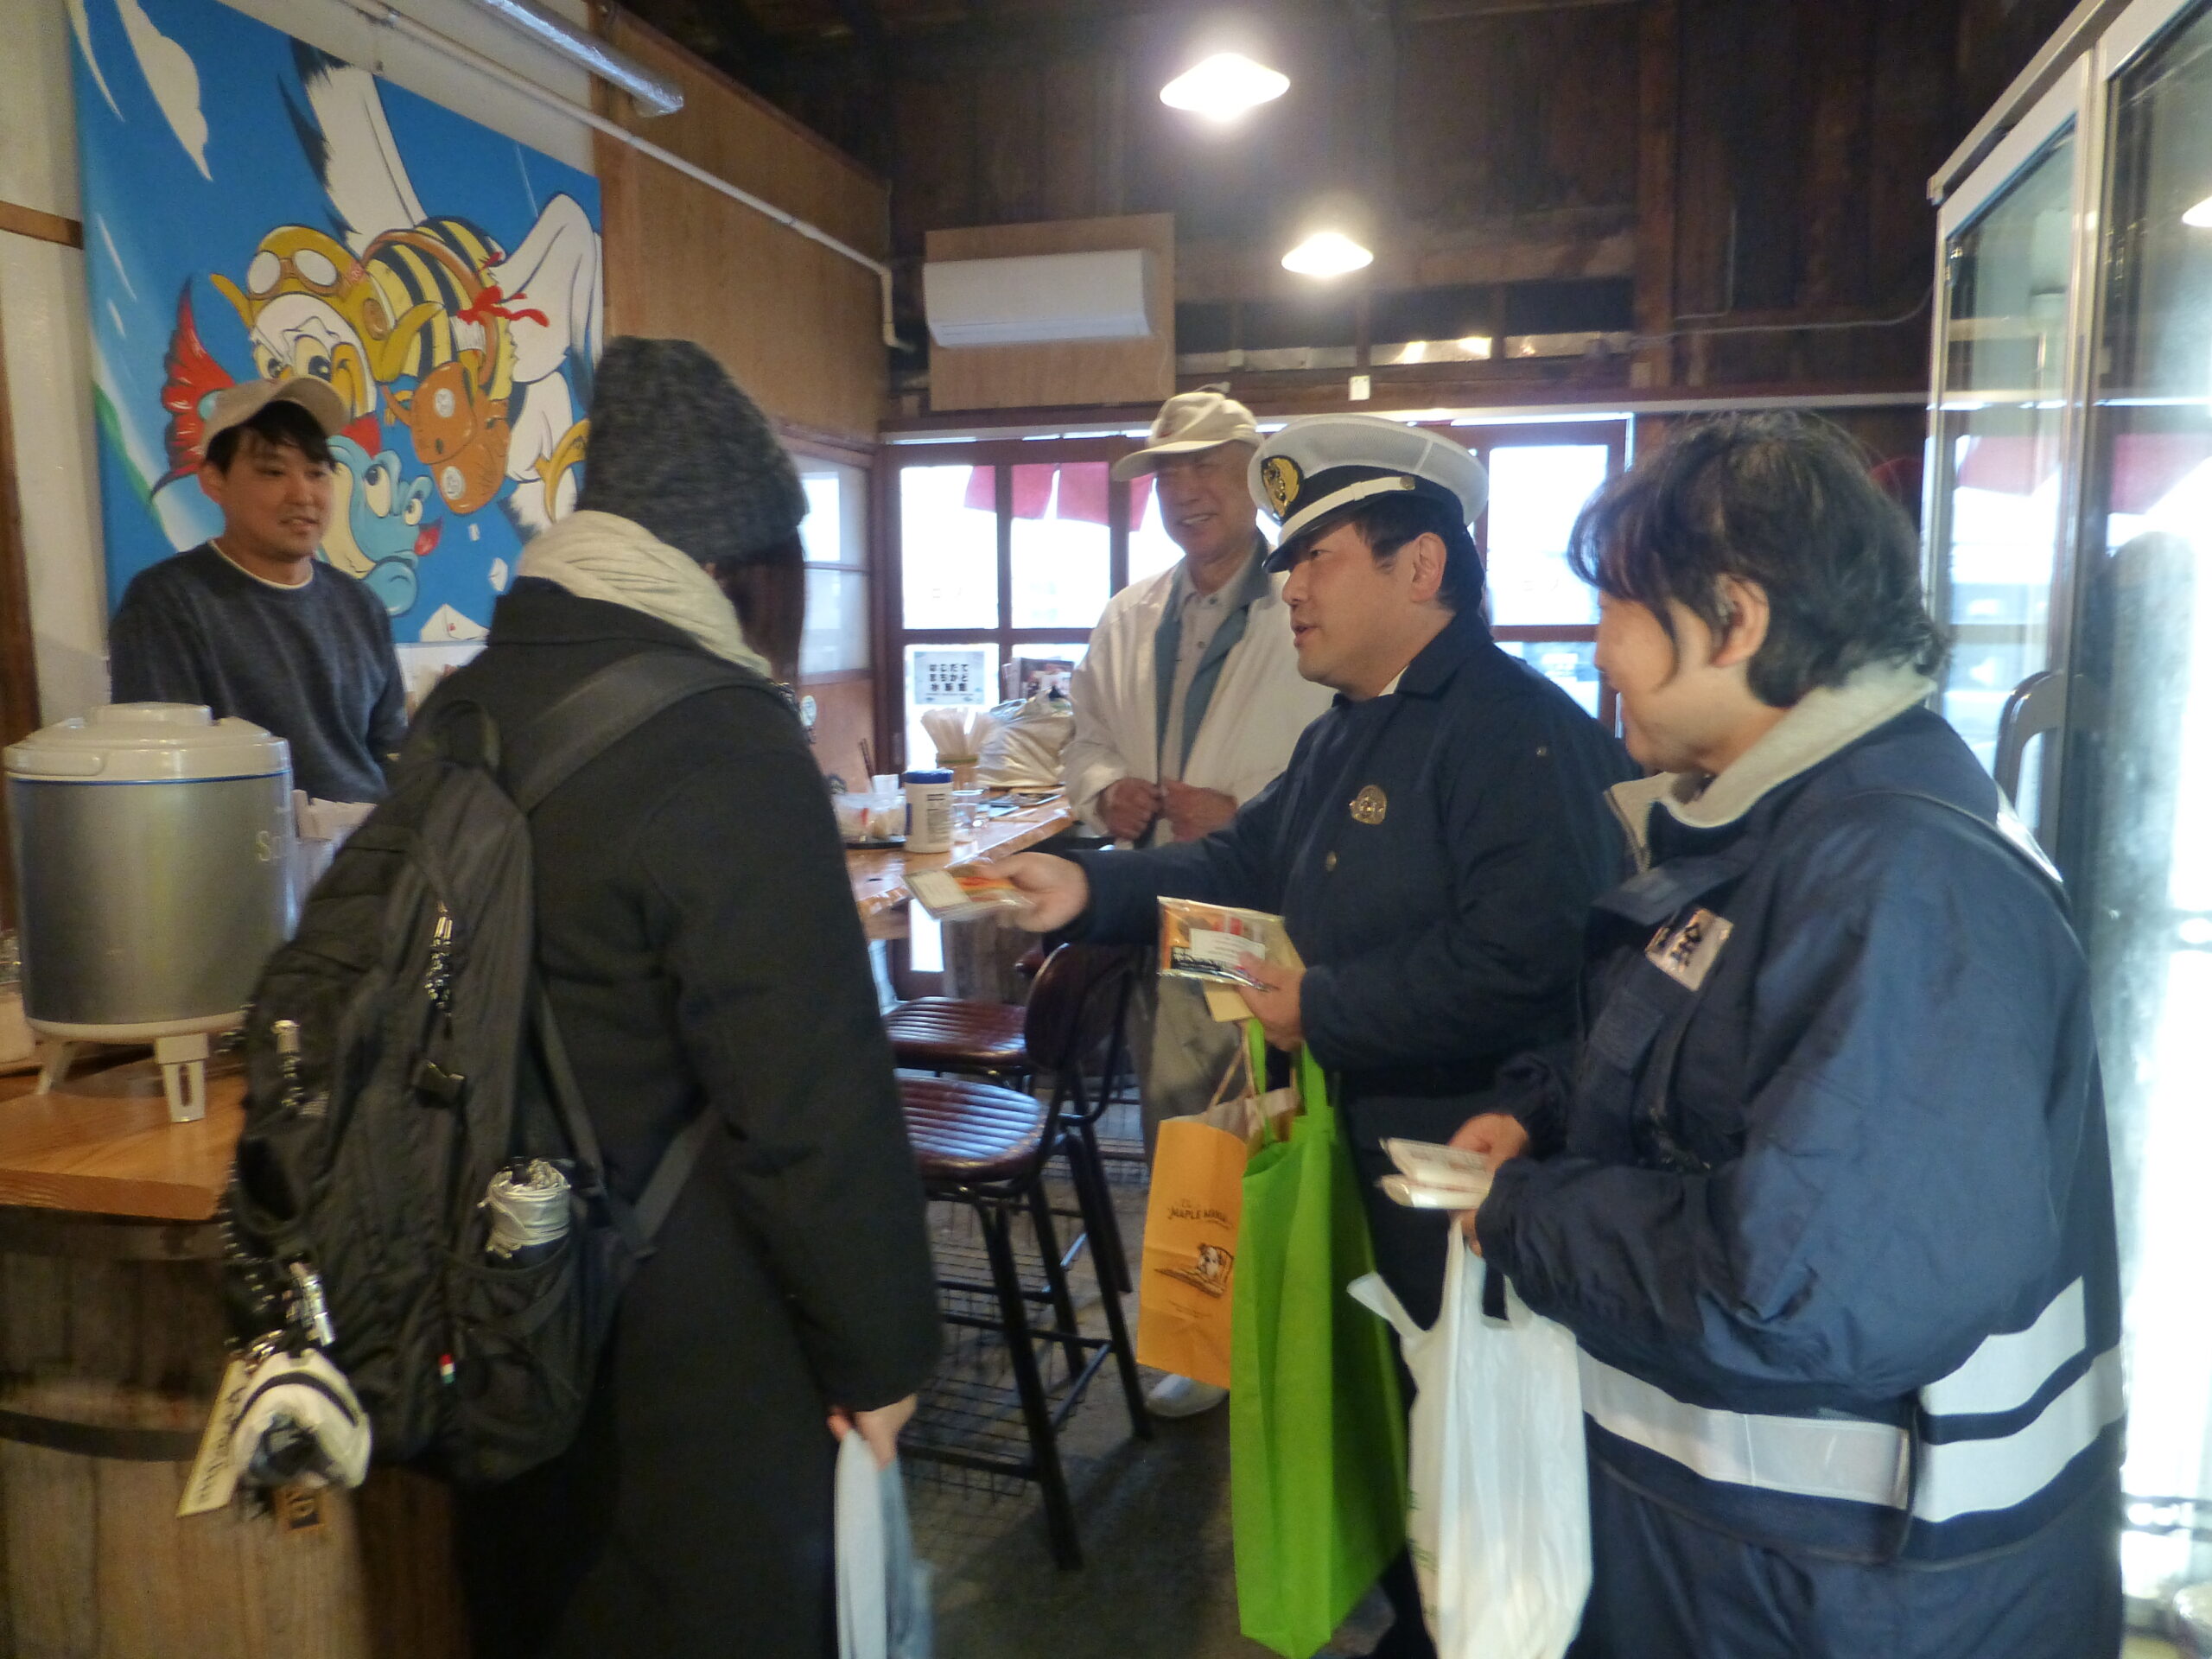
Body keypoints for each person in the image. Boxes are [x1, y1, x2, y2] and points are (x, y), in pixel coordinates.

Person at [1455, 414, 2123, 1659]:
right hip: (1760, 1568)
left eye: (1618, 607)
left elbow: (1803, 1294)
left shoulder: (1900, 877)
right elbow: (1701, 1049)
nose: (1597, 649)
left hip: (1860, 1597)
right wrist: (1538, 1110)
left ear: (1735, 618)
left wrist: (1522, 1216)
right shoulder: (1792, 826)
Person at [1000, 413, 1635, 1656]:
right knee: (1377, 1414)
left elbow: (1532, 964)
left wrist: (1324, 1007)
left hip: (1469, 1162)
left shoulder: (1515, 733)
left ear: (1421, 566)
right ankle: (1410, 1618)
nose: (1289, 586)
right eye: (1288, 560)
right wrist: (1086, 888)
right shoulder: (1347, 725)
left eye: (1318, 558)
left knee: (1466, 1438)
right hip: (1352, 1148)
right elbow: (1240, 862)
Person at [432, 338, 941, 1659]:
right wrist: (882, 1355)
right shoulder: (721, 734)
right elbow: (806, 1092)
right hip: (689, 1337)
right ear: (729, 566)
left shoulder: (463, 710)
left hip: (500, 1307)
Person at [1067, 388, 1332, 1417]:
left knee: (1242, 1113)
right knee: (1183, 1113)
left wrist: (1248, 815)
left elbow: (1342, 747)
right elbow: (1084, 736)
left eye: (1207, 467)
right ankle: (1203, 1341)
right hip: (1158, 902)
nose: (1186, 490)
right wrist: (1107, 792)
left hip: (1258, 909)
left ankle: (1251, 1329)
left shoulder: (1306, 597)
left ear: (1253, 476)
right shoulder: (1130, 614)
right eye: (1167, 473)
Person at [108, 378, 406, 802]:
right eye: (273, 472)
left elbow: (392, 751)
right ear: (214, 481)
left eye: (317, 473)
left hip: (370, 835)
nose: (303, 494)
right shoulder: (167, 603)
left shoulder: (361, 606)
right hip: (252, 837)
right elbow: (164, 775)